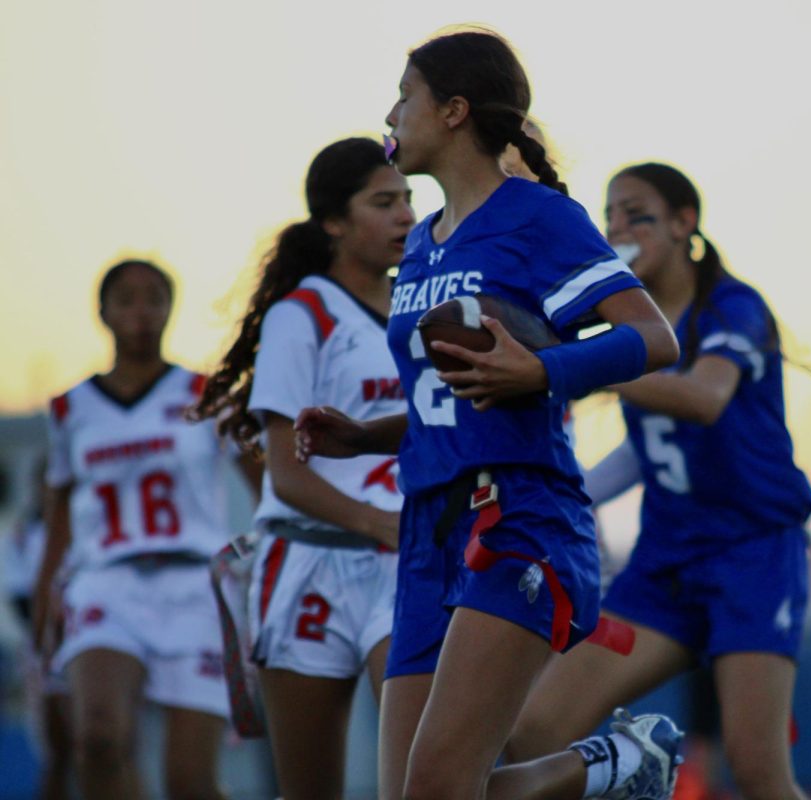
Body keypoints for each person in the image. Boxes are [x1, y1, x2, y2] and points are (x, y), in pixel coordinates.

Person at [293, 28, 684, 800]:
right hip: (426, 529)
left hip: (519, 516)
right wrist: (367, 435)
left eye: (405, 94)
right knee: (418, 795)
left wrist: (543, 369)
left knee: (439, 789)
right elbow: (456, 396)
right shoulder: (423, 248)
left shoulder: (538, 217)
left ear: (453, 111)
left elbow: (655, 337)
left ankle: (609, 765)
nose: (392, 112)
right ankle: (615, 766)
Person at [504, 162, 811, 800]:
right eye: (611, 215)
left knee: (757, 772)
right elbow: (649, 450)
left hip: (752, 556)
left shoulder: (734, 305)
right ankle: (627, 767)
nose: (619, 228)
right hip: (667, 562)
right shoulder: (628, 323)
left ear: (683, 224)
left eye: (637, 214)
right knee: (532, 731)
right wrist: (567, 491)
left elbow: (704, 398)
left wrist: (577, 364)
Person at [190, 136, 414, 800]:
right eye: (384, 202)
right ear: (333, 222)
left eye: (408, 199)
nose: (405, 216)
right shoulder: (302, 315)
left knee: (422, 778)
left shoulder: (424, 306)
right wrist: (379, 521)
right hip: (309, 565)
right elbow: (285, 473)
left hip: (404, 563)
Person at [31, 258, 259, 800]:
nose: (140, 312)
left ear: (169, 309)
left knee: (190, 784)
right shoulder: (69, 407)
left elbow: (266, 480)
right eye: (126, 299)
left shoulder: (207, 392)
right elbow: (59, 504)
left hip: (193, 587)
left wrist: (270, 556)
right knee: (99, 741)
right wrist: (45, 593)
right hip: (107, 583)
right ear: (103, 312)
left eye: (153, 298)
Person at [3, 457, 73, 800]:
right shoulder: (22, 534)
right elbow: (19, 596)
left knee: (105, 741)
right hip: (45, 648)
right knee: (56, 750)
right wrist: (47, 635)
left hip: (93, 639)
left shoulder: (91, 524)